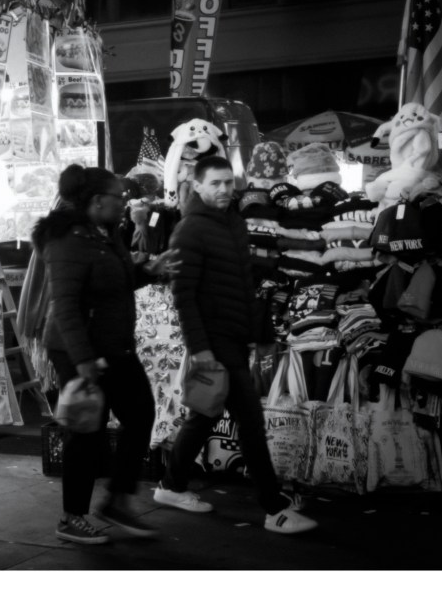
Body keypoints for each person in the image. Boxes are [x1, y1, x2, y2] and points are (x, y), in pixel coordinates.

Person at [152, 155, 318, 534]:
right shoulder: (190, 230)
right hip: (214, 341)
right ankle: (274, 509)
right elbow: (183, 297)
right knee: (251, 423)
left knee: (204, 415)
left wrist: (260, 334)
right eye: (215, 183)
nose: (225, 189)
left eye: (229, 182)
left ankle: (171, 485)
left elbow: (243, 285)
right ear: (197, 185)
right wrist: (201, 349)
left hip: (233, 337)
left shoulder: (233, 222)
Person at [32, 164, 180, 545]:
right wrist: (84, 362)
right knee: (87, 429)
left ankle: (116, 500)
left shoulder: (104, 233)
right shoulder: (67, 240)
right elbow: (66, 307)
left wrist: (151, 270)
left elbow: (117, 281)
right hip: (77, 348)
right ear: (98, 201)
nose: (125, 201)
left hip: (114, 345)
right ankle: (71, 517)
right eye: (119, 196)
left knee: (140, 414)